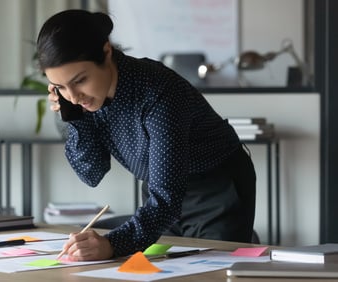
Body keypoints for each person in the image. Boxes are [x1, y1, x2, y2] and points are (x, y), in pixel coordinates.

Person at [36, 9, 256, 261]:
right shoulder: (79, 102)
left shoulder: (158, 91)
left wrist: (110, 245)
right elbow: (91, 173)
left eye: (80, 80)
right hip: (160, 193)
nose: (73, 96)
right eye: (61, 87)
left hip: (215, 188)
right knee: (158, 272)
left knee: (210, 272)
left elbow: (166, 199)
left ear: (106, 52)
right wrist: (73, 118)